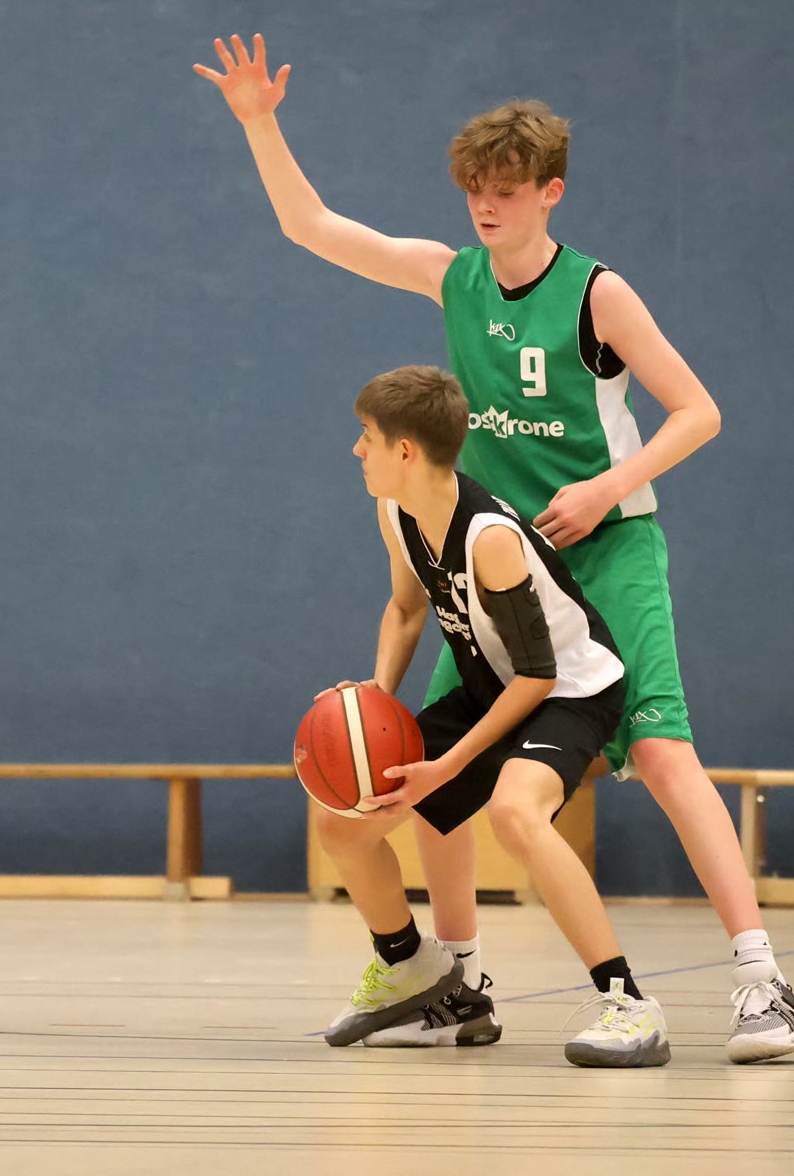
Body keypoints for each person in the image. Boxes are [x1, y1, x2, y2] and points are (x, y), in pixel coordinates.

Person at [195, 33, 794, 1061]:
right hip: (493, 568)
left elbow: (697, 410)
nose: (486, 206)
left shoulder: (597, 294)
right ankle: (457, 983)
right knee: (432, 778)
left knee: (662, 754)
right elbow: (311, 226)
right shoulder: (452, 278)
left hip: (605, 545)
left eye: (506, 190)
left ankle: (762, 982)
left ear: (549, 192)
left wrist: (604, 486)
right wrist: (260, 124)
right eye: (474, 190)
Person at [317, 364, 668, 1068]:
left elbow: (540, 675)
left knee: (514, 813)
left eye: (366, 436)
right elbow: (406, 609)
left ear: (405, 450)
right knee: (345, 821)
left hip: (572, 688)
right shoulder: (397, 511)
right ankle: (419, 973)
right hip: (495, 686)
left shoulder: (489, 538)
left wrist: (447, 765)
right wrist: (376, 698)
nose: (357, 449)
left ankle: (630, 1003)